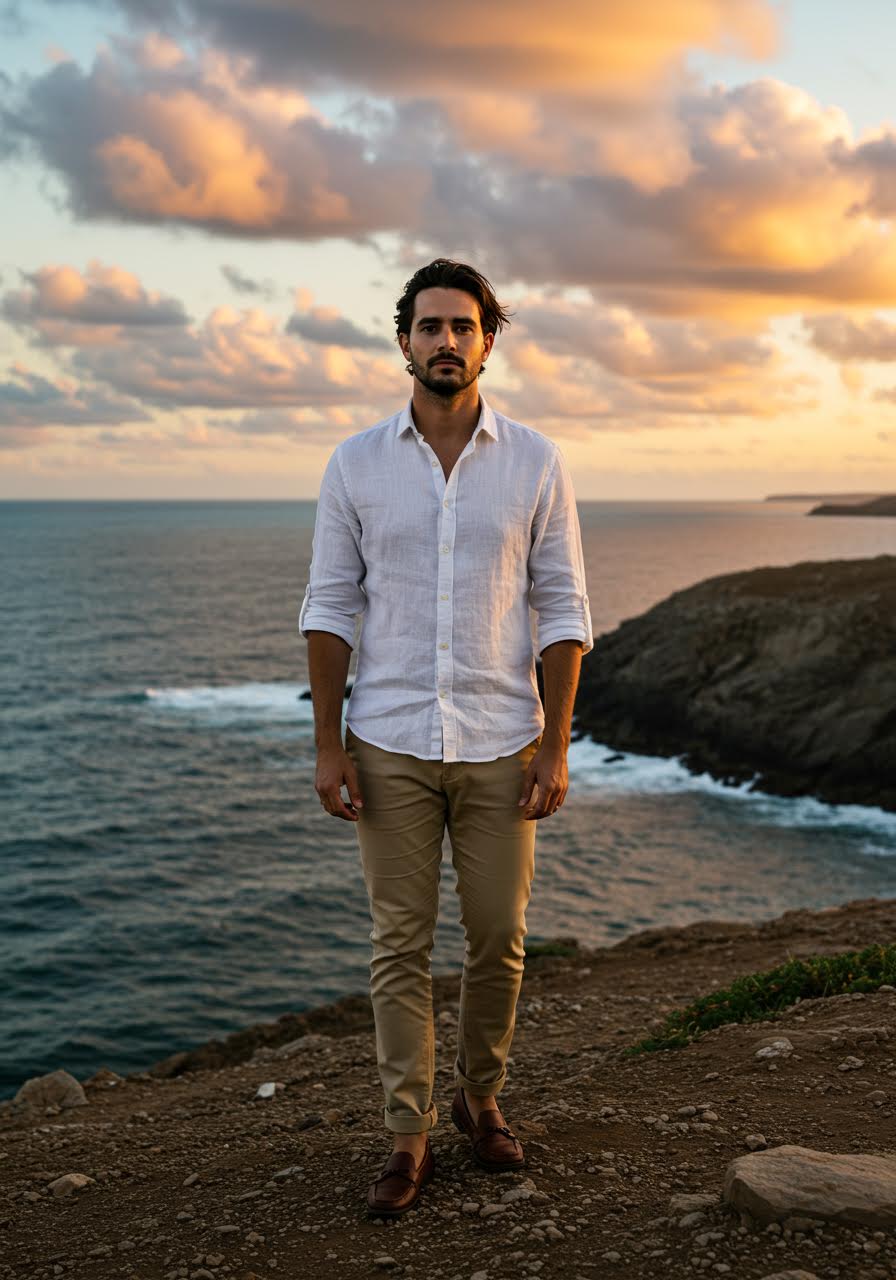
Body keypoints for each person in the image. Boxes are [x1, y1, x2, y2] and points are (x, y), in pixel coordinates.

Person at [300, 258, 593, 1216]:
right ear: (404, 342)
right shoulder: (355, 463)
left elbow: (563, 607)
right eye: (429, 327)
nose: (446, 342)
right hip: (387, 738)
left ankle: (480, 1096)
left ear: (487, 341)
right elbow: (329, 606)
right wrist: (329, 745)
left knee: (500, 935)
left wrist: (555, 746)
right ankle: (407, 1134)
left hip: (502, 738)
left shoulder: (536, 460)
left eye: (463, 327)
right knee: (400, 943)